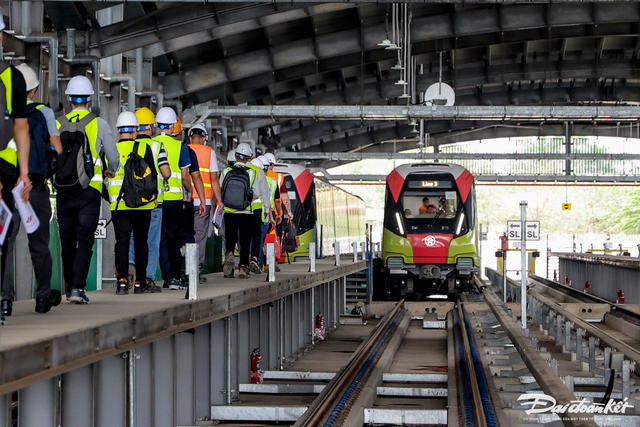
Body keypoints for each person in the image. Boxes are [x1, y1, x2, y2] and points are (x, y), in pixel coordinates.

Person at [56, 76, 119, 304]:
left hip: (63, 191)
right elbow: (113, 157)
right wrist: (111, 170)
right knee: (84, 240)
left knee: (66, 240)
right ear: (90, 98)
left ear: (69, 99)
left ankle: (68, 287)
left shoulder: (57, 124)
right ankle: (76, 288)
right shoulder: (99, 124)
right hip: (89, 191)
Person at [109, 112, 171, 295]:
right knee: (141, 242)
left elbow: (104, 176)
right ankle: (140, 282)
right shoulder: (145, 149)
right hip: (142, 205)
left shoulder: (111, 150)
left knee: (121, 243)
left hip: (119, 205)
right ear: (135, 131)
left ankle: (121, 282)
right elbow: (157, 175)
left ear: (119, 131)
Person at [0, 56, 36, 317]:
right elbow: (20, 130)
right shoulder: (43, 115)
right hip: (10, 176)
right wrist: (24, 174)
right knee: (6, 238)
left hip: (10, 176)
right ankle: (4, 297)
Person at [155, 107, 193, 290]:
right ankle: (175, 278)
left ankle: (165, 274)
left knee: (160, 239)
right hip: (175, 200)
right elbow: (185, 176)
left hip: (156, 200)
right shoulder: (180, 147)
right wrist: (191, 191)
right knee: (174, 239)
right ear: (172, 126)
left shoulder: (151, 144)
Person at [221, 143, 268, 279]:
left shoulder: (226, 172)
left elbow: (220, 189)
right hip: (246, 210)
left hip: (229, 211)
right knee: (244, 239)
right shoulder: (252, 173)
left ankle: (229, 254)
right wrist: (246, 199)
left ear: (235, 156)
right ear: (249, 158)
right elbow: (257, 193)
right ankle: (242, 267)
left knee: (230, 236)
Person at [187, 124, 223, 276]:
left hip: (185, 199)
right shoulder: (209, 152)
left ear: (190, 137)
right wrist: (219, 200)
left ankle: (183, 269)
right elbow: (214, 178)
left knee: (184, 235)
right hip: (205, 201)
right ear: (204, 138)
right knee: (199, 236)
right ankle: (196, 270)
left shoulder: (184, 149)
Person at [248, 157, 273, 274]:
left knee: (246, 236)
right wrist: (268, 210)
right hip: (260, 212)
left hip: (246, 210)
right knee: (259, 237)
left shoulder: (247, 173)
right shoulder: (264, 178)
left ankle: (245, 262)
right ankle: (256, 260)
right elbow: (265, 194)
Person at [256, 155, 278, 270]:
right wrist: (272, 215)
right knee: (261, 239)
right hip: (265, 215)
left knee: (252, 239)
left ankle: (250, 261)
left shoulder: (252, 178)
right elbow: (270, 199)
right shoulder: (272, 181)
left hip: (251, 213)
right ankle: (260, 262)